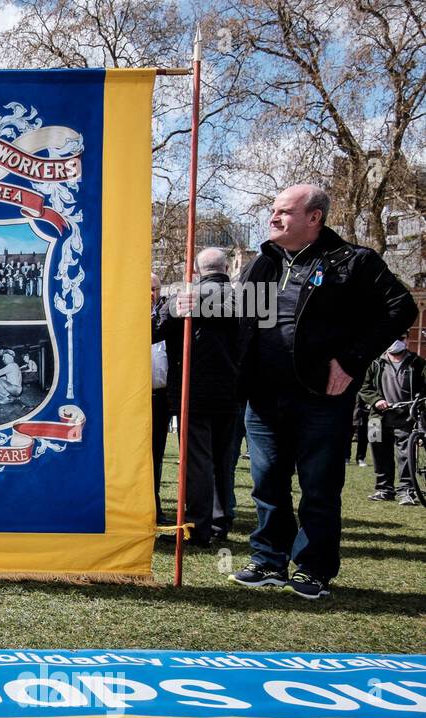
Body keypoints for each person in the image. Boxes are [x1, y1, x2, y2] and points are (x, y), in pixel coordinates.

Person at [229, 184, 417, 598]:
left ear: (314, 217)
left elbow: (401, 308)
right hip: (262, 397)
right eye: (272, 210)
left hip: (320, 397)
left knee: (318, 486)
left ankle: (312, 568)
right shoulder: (264, 263)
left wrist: (352, 361)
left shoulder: (353, 261)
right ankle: (268, 561)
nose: (273, 218)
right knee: (267, 483)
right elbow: (241, 316)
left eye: (283, 211)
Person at [158, 247, 243, 546]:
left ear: (197, 269)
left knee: (197, 463)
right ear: (225, 268)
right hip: (232, 392)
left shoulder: (186, 297)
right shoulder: (245, 298)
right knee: (223, 461)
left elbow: (154, 329)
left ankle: (198, 525)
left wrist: (167, 308)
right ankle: (220, 522)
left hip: (193, 392)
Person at [360, 337, 424, 506]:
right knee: (379, 454)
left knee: (405, 456)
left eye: (400, 338)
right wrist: (376, 400)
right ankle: (384, 489)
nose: (395, 341)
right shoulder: (375, 363)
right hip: (377, 418)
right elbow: (364, 387)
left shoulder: (417, 363)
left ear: (407, 340)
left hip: (406, 417)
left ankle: (406, 490)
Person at [150, 273, 171, 525]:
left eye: (154, 288)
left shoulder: (168, 320)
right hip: (132, 398)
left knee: (156, 455)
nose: (150, 293)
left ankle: (155, 509)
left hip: (160, 398)